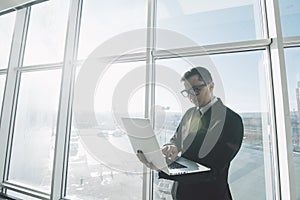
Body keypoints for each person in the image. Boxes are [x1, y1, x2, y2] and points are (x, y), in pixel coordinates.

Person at [137, 66, 244, 200]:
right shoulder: (189, 114)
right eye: (187, 92)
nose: (191, 96)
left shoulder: (231, 120)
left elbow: (212, 170)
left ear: (211, 86)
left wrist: (163, 169)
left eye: (196, 90)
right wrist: (172, 147)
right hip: (180, 194)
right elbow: (176, 139)